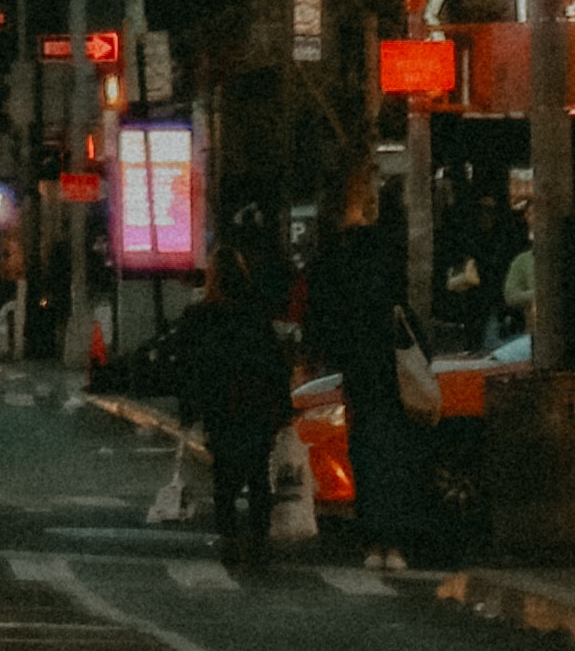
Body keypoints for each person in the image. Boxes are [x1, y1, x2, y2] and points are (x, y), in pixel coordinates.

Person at [301, 175, 424, 568]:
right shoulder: (386, 259)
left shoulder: (336, 263)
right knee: (395, 460)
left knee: (367, 459)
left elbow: (321, 319)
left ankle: (375, 541)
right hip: (392, 374)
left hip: (360, 374)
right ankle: (395, 542)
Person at [179, 264, 295, 583]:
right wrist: (283, 408)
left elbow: (193, 366)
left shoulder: (202, 316)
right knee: (258, 474)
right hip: (257, 404)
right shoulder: (256, 315)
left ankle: (229, 537)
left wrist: (190, 409)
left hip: (222, 405)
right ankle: (258, 538)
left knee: (225, 477)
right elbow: (275, 363)